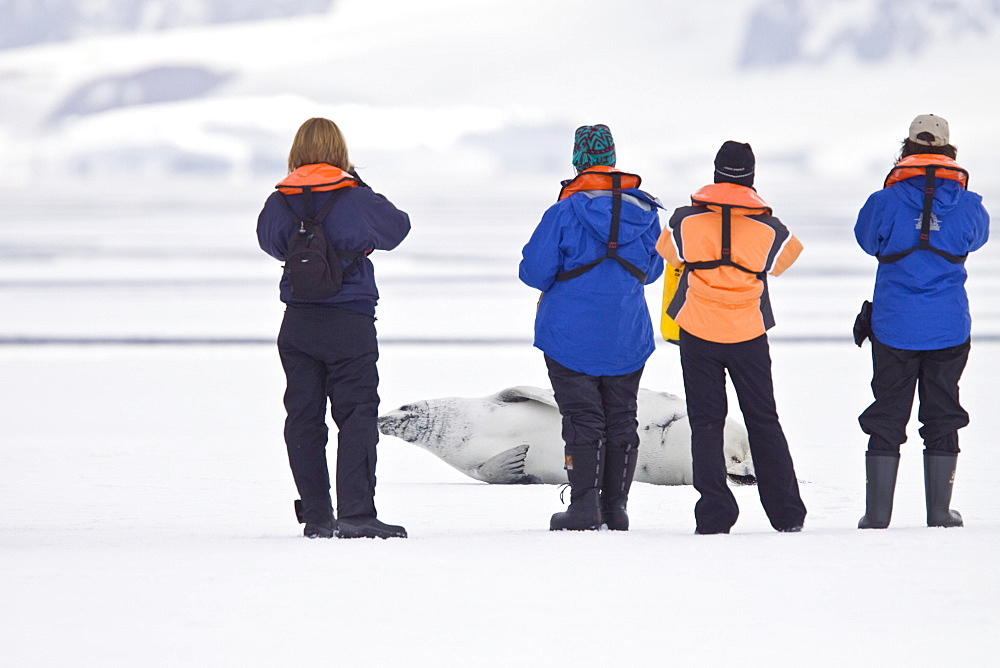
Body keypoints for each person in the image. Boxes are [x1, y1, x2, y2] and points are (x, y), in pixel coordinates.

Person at [257, 117, 411, 539]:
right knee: (356, 416)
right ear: (340, 151)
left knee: (303, 418)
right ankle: (358, 514)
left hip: (299, 322)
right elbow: (398, 228)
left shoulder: (278, 201)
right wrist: (356, 188)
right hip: (350, 319)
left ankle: (318, 517)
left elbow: (269, 243)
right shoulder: (354, 197)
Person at [656, 141, 807, 534]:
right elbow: (785, 260)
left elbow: (667, 253)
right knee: (763, 420)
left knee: (706, 423)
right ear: (752, 176)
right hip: (748, 334)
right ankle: (787, 514)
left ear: (715, 172)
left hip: (697, 332)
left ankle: (714, 515)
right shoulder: (771, 230)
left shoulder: (684, 222)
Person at [519, 124, 664, 531]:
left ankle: (583, 507)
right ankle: (616, 508)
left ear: (578, 160)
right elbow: (651, 273)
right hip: (627, 334)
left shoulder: (564, 211)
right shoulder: (646, 212)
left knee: (583, 419)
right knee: (622, 417)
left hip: (569, 335)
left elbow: (534, 272)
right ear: (613, 159)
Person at [854, 114, 989, 529]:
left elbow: (866, 240)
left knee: (887, 413)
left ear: (907, 149)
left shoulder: (884, 201)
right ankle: (939, 512)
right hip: (948, 326)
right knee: (943, 412)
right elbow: (977, 239)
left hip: (894, 325)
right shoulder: (969, 204)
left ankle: (877, 514)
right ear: (949, 151)